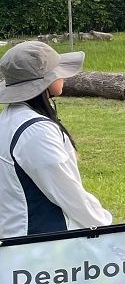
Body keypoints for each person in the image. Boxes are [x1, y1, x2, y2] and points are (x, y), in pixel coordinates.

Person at [0, 41, 112, 238]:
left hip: (19, 238)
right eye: (57, 71)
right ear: (45, 81)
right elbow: (67, 193)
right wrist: (103, 223)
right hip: (45, 246)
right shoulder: (36, 131)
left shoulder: (10, 118)